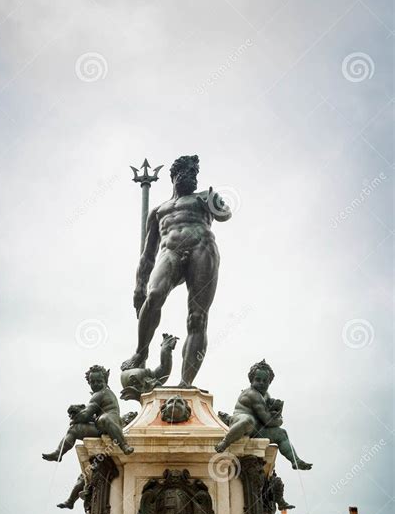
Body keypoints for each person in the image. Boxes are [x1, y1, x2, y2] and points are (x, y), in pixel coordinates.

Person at [122, 155, 232, 386]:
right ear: (174, 176)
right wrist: (139, 285)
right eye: (186, 173)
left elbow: (224, 215)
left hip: (202, 248)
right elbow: (147, 254)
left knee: (197, 317)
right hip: (169, 252)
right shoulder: (158, 211)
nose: (191, 178)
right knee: (153, 296)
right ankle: (141, 352)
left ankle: (186, 383)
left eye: (194, 174)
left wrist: (216, 201)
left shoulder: (203, 197)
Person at [215, 359, 312, 470]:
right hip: (240, 421)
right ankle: (225, 442)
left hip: (256, 428)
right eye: (258, 380)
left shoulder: (265, 395)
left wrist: (276, 412)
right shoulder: (253, 394)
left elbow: (270, 420)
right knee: (248, 420)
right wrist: (279, 418)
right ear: (251, 381)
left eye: (265, 381)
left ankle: (295, 460)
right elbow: (267, 420)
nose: (261, 383)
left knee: (281, 433)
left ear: (269, 382)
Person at [42, 365, 134, 461]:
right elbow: (90, 415)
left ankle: (124, 445)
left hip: (111, 423)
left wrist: (76, 417)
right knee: (74, 429)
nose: (96, 384)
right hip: (100, 427)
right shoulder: (96, 395)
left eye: (99, 381)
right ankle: (58, 452)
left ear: (105, 381)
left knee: (105, 418)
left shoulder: (103, 393)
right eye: (93, 382)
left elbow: (86, 414)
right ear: (89, 382)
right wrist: (76, 418)